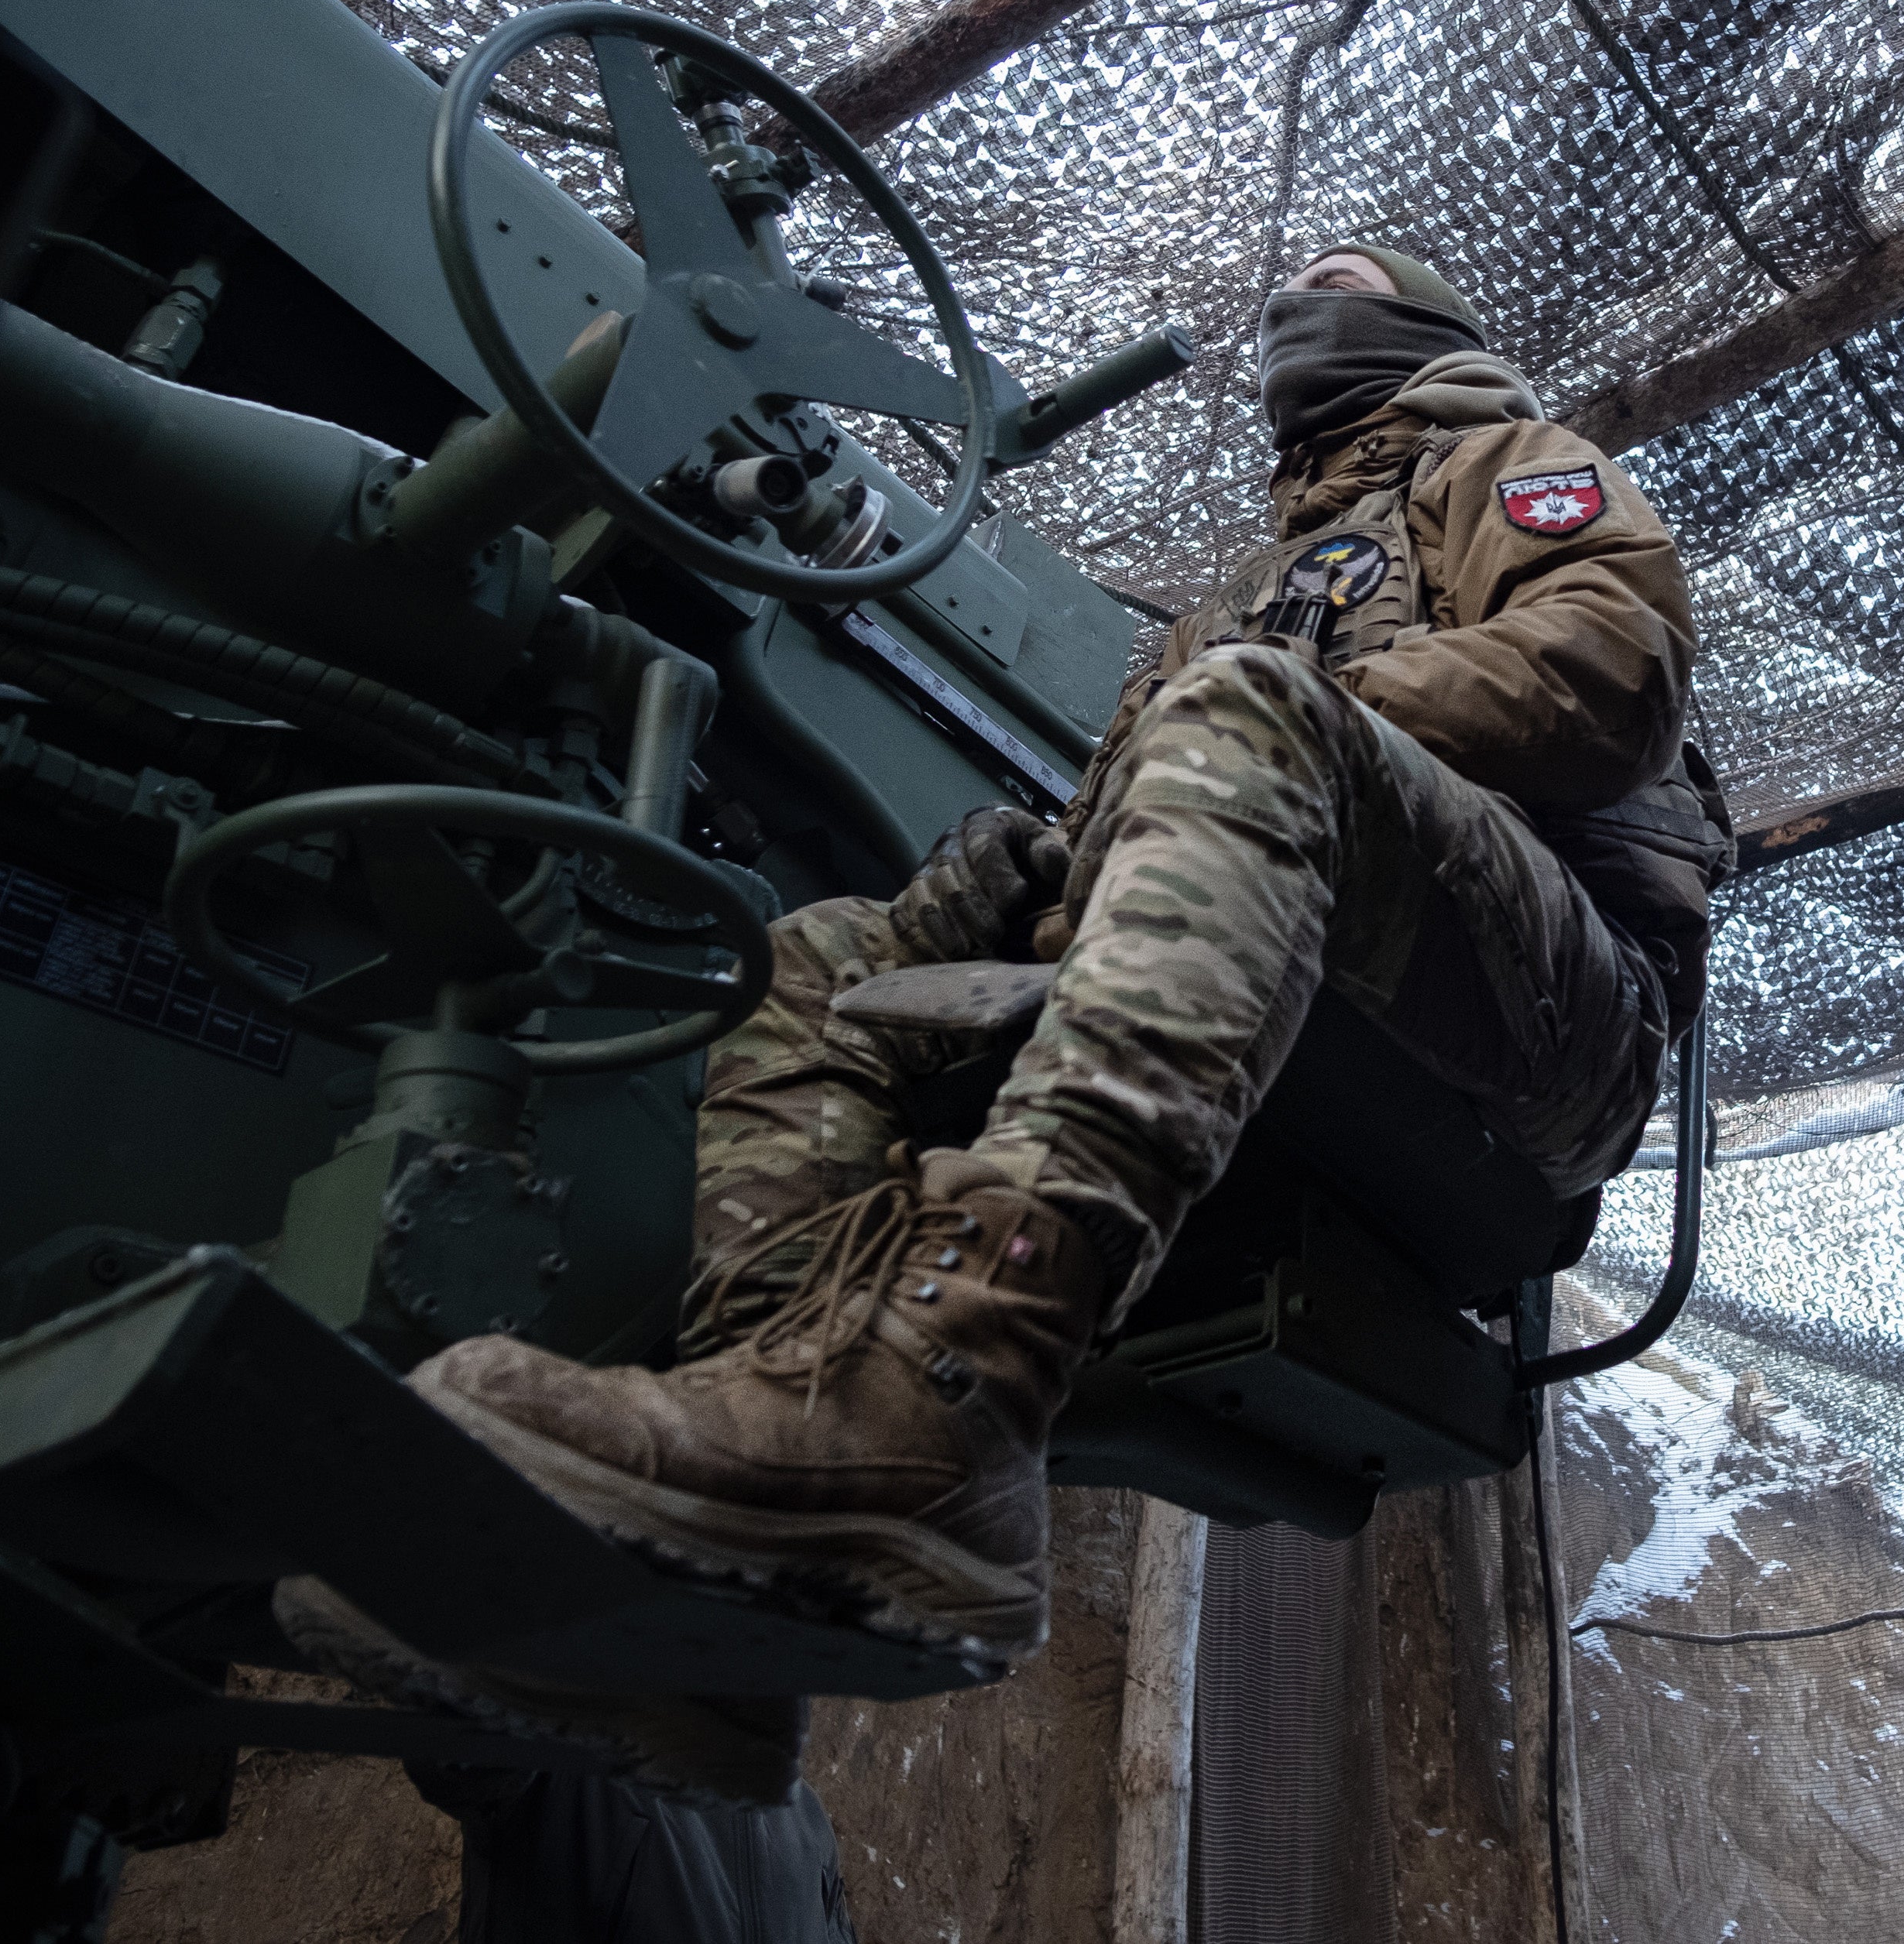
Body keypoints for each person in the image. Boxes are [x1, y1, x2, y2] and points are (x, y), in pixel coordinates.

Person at [283, 245, 1718, 1784]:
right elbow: (1155, 840)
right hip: (1323, 972)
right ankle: (765, 1459)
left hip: (1553, 1034)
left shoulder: (1504, 463)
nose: (1306, 295)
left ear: (1431, 323)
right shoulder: (1232, 601)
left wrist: (1267, 699)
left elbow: (1604, 674)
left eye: (1345, 276)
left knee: (1249, 712)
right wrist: (1031, 879)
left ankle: (949, 1396)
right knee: (828, 950)